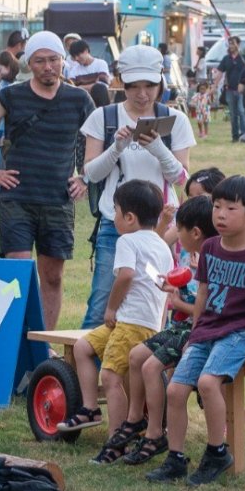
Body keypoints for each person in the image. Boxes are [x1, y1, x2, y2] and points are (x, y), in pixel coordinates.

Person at [146, 174, 245, 485]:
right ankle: (175, 458)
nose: (220, 214)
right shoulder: (212, 247)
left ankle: (217, 451)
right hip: (206, 330)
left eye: (231, 208)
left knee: (207, 382)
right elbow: (202, 294)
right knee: (175, 388)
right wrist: (194, 331)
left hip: (237, 333)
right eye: (217, 206)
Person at [0, 31, 93, 331]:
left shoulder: (79, 98)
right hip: (17, 198)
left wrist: (85, 177)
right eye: (40, 61)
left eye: (53, 60)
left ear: (63, 60)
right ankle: (15, 339)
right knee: (18, 271)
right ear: (29, 64)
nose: (48, 66)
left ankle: (43, 342)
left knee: (53, 276)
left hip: (57, 200)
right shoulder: (12, 95)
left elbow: (95, 139)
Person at [78, 45, 193, 328]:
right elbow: (91, 173)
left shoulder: (175, 119)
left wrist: (157, 148)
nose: (142, 94)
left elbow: (181, 178)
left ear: (161, 82)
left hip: (162, 223)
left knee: (155, 305)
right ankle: (85, 370)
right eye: (133, 86)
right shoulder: (103, 118)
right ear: (121, 82)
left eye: (150, 86)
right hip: (115, 222)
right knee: (102, 305)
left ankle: (148, 371)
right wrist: (116, 147)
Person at [73, 179, 173, 450]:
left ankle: (117, 439)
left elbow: (126, 275)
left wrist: (111, 308)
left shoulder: (127, 240)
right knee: (83, 347)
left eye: (115, 211)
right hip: (146, 324)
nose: (113, 217)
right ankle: (91, 407)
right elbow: (165, 290)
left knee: (111, 376)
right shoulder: (163, 246)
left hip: (129, 322)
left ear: (129, 217)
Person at [119, 195, 215, 467]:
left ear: (195, 232)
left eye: (179, 229)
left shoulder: (211, 260)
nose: (177, 236)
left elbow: (206, 309)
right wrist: (175, 290)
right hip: (183, 325)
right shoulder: (198, 256)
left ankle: (154, 435)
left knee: (150, 367)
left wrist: (176, 301)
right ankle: (135, 419)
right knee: (137, 355)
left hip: (197, 329)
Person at [216, 34, 245, 142]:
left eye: (233, 43)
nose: (231, 45)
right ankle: (235, 136)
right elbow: (220, 73)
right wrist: (214, 86)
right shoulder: (226, 59)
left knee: (241, 111)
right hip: (230, 90)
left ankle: (244, 136)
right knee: (233, 114)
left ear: (238, 44)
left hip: (242, 90)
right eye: (229, 43)